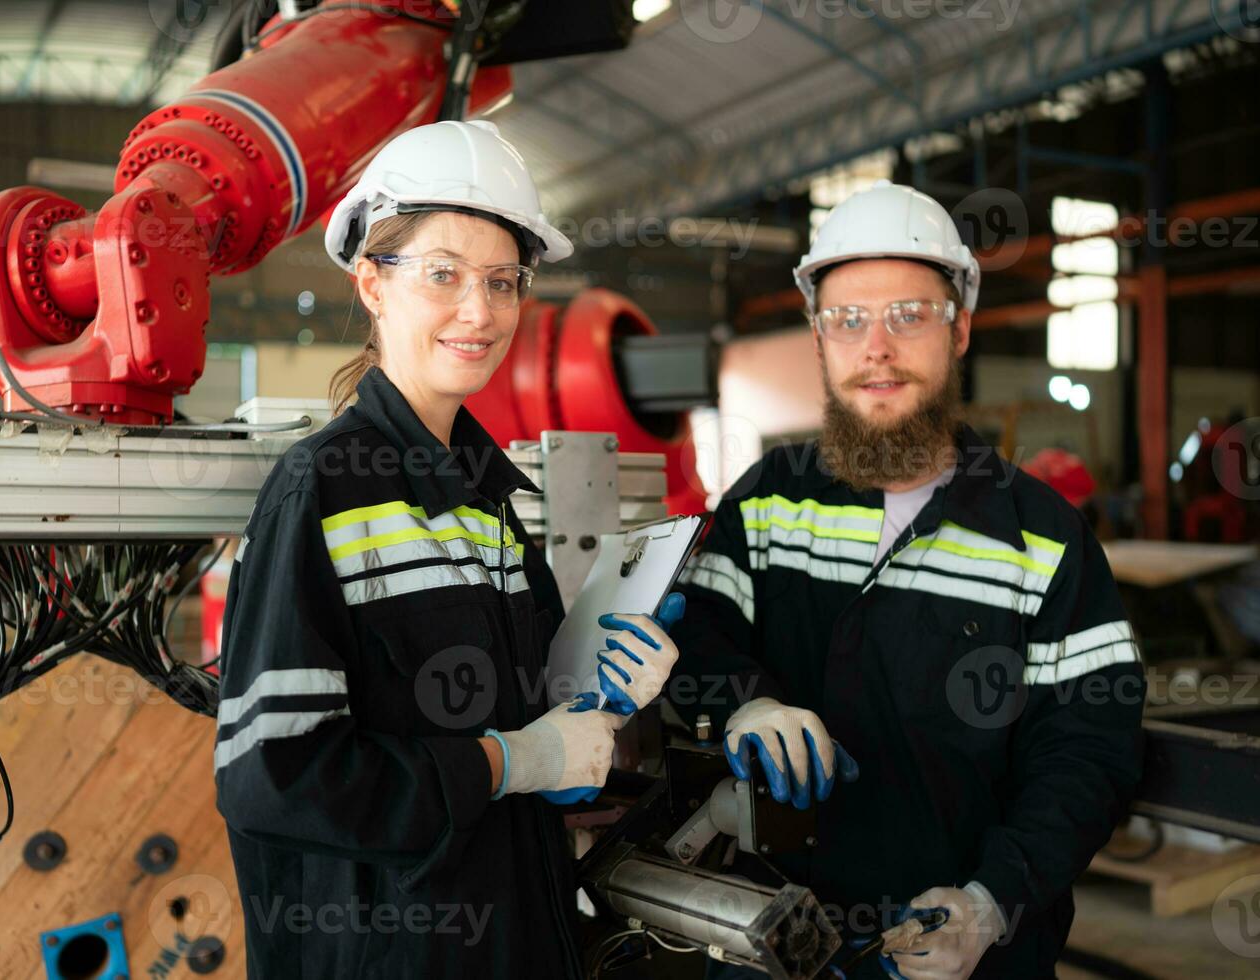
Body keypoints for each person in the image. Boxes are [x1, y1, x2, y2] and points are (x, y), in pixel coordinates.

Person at [213, 119, 682, 980]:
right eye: (444, 275)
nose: (481, 311)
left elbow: (529, 718)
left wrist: (603, 698)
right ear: (372, 284)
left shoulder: (489, 499)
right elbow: (275, 778)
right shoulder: (319, 491)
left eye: (503, 282)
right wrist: (508, 763)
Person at [668, 181, 1145, 979]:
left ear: (958, 330)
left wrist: (992, 903)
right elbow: (691, 633)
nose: (876, 347)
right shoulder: (768, 500)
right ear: (819, 339)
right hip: (772, 944)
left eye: (909, 315)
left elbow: (1090, 751)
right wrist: (744, 702)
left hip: (961, 960)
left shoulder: (1043, 538)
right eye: (848, 320)